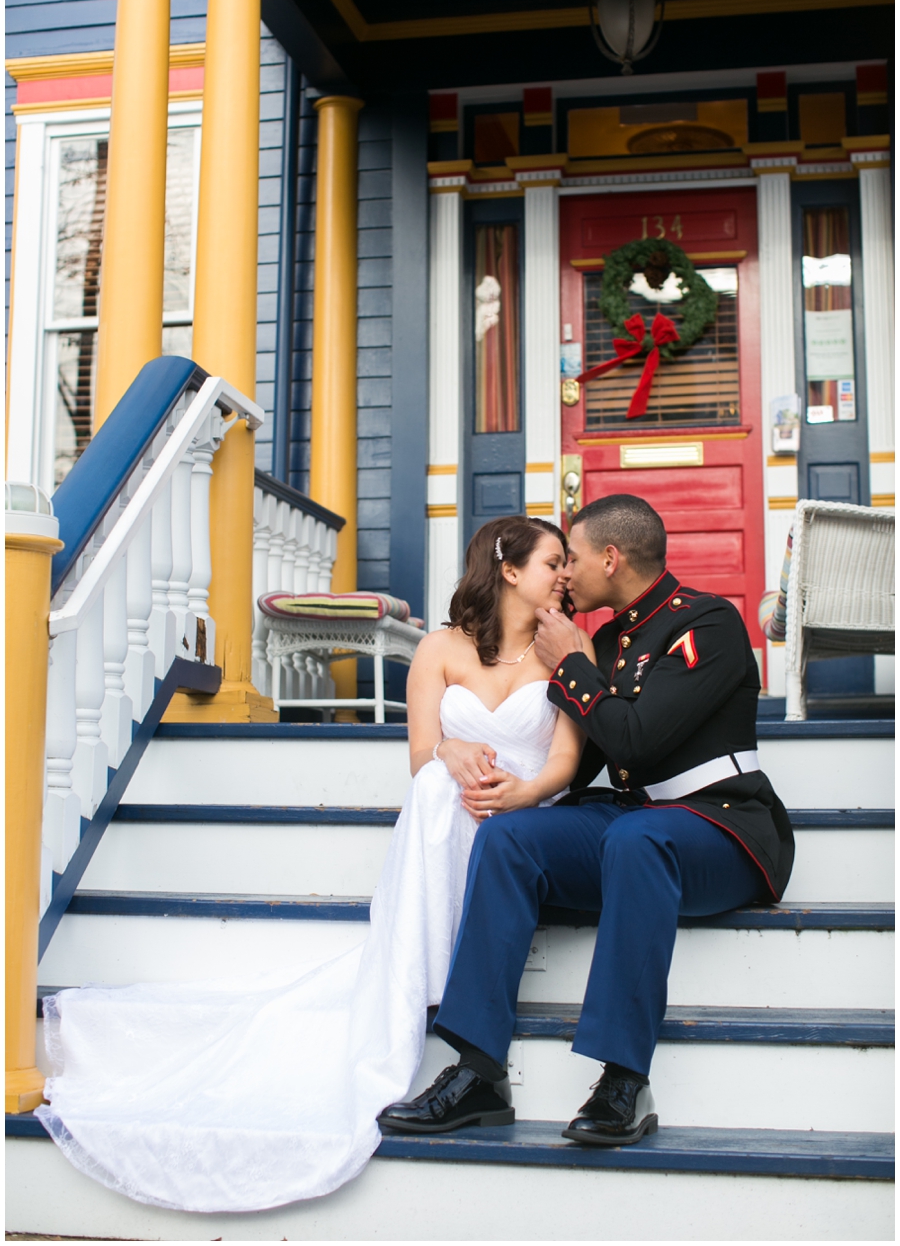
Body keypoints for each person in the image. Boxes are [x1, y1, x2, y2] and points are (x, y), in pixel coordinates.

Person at [36, 516, 593, 1212]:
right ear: (509, 569)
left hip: (526, 819)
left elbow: (566, 762)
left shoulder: (568, 649)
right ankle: (424, 969)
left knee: (456, 800)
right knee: (432, 786)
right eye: (552, 562)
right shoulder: (440, 649)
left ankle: (447, 979)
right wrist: (451, 752)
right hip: (445, 814)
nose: (565, 575)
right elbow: (422, 753)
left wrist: (519, 792)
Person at [379, 494, 795, 1147]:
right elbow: (580, 761)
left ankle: (624, 1080)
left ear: (611, 557)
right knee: (512, 835)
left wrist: (572, 662)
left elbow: (634, 741)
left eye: (571, 557)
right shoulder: (603, 641)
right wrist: (490, 771)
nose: (566, 574)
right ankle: (479, 1071)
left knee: (636, 835)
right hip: (638, 826)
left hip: (723, 827)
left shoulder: (706, 625)